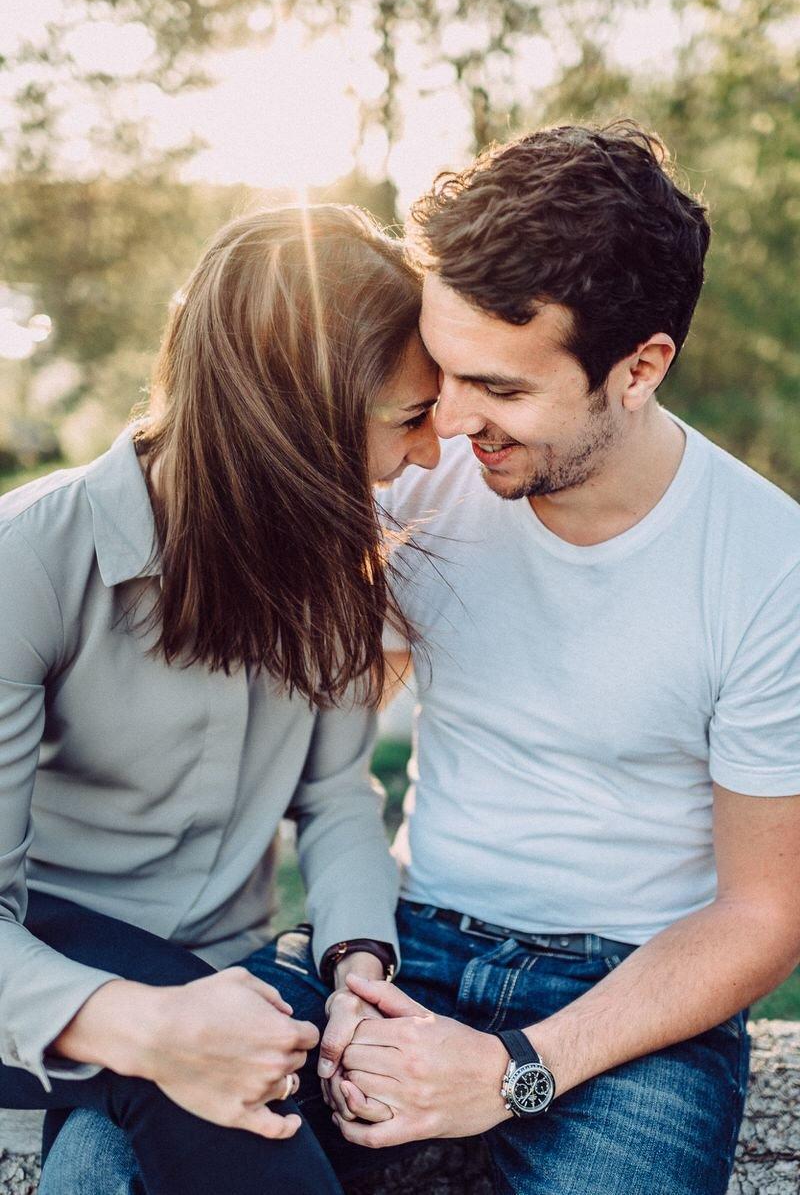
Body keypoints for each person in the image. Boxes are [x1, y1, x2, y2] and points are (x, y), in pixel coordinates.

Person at [41, 122, 800, 1195]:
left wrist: (514, 1071)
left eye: (497, 387)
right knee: (103, 1164)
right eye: (440, 371)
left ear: (637, 368)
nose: (445, 419)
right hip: (409, 939)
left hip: (629, 1002)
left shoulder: (768, 566)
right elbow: (316, 734)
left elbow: (762, 914)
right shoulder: (418, 467)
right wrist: (354, 965)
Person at [0, 202, 440, 1195]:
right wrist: (155, 1025)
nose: (430, 451)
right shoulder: (30, 560)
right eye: (410, 417)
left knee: (106, 1166)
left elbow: (331, 795)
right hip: (37, 978)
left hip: (240, 980)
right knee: (234, 1100)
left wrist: (358, 960)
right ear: (296, 410)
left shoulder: (339, 566)